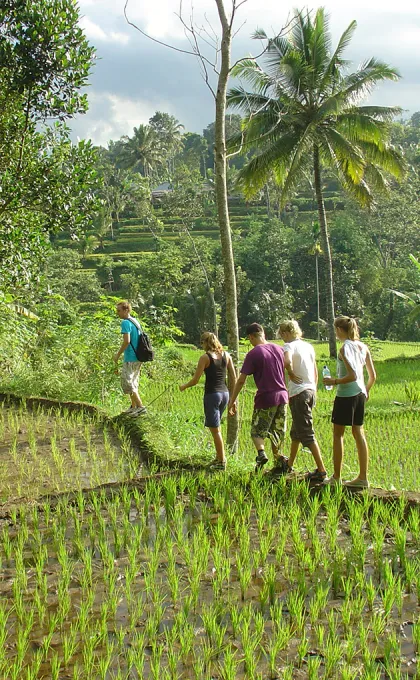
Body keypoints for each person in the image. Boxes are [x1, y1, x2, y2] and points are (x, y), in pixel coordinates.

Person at [323, 316, 376, 487]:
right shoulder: (363, 347)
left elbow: (352, 375)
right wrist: (366, 390)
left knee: (338, 434)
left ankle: (336, 477)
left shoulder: (344, 348)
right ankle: (363, 477)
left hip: (346, 395)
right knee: (358, 433)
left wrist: (334, 381)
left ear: (339, 330)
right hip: (360, 393)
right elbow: (372, 376)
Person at [228, 323, 288, 472]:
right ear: (263, 333)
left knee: (257, 431)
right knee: (277, 431)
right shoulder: (280, 349)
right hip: (283, 396)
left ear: (251, 337)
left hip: (266, 397)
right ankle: (278, 463)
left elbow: (241, 380)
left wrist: (232, 400)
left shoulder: (254, 353)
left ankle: (261, 453)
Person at [278, 320, 327, 481]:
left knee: (306, 432)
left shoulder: (289, 346)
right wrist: (314, 388)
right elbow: (315, 370)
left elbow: (286, 361)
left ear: (286, 333)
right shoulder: (308, 346)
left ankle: (321, 469)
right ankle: (289, 464)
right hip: (310, 390)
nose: (282, 337)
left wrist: (290, 373)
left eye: (282, 334)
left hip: (298, 393)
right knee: (296, 432)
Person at [179, 332, 236, 470]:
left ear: (205, 342)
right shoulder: (226, 355)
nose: (201, 346)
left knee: (215, 430)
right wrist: (233, 399)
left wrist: (184, 386)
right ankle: (218, 456)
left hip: (212, 395)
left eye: (201, 343)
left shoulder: (205, 357)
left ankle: (222, 461)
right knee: (217, 427)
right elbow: (234, 377)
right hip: (225, 394)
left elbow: (195, 380)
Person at [113, 301, 146, 417]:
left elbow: (127, 341)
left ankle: (140, 407)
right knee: (134, 381)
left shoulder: (125, 322)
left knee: (128, 382)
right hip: (138, 357)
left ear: (126, 310)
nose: (118, 313)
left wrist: (117, 355)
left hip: (130, 357)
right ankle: (133, 407)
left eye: (119, 310)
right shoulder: (135, 321)